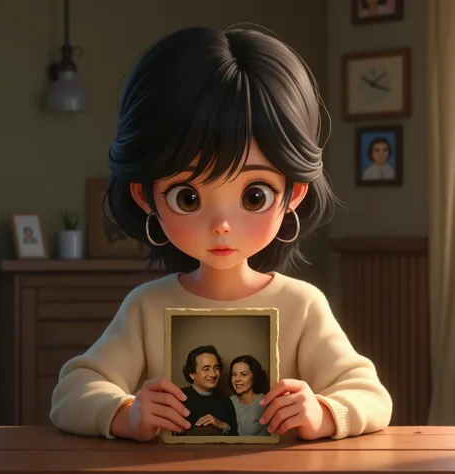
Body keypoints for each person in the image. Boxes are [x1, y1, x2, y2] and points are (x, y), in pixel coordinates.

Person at [49, 25, 392, 443]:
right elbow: (73, 391)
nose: (222, 225)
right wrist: (127, 412)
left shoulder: (301, 305)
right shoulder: (146, 307)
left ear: (293, 193)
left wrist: (321, 412)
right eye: (188, 197)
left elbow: (370, 394)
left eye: (254, 195)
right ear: (145, 197)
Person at [178, 345, 238, 436]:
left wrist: (222, 425)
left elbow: (235, 435)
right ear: (192, 374)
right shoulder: (178, 398)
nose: (213, 374)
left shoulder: (226, 401)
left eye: (216, 368)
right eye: (206, 369)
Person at [229, 355, 270, 436]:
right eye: (234, 374)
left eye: (243, 374)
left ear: (254, 377)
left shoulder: (263, 403)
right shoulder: (230, 401)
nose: (237, 379)